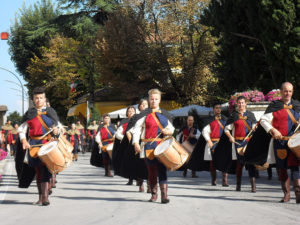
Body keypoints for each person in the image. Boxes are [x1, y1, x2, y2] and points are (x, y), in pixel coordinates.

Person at [246, 82, 300, 203]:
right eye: (285, 91)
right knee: (282, 168)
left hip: (295, 143)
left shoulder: (297, 105)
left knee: (296, 168)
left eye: (290, 91)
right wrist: (272, 129)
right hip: (280, 142)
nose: (288, 93)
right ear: (281, 92)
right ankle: (286, 195)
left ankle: (298, 194)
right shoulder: (275, 106)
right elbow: (264, 120)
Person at [17, 87, 60, 206]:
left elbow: (58, 127)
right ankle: (41, 197)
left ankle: (45, 197)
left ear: (44, 99)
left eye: (41, 98)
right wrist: (24, 140)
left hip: (47, 145)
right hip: (34, 146)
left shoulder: (51, 112)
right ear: (33, 99)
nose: (39, 100)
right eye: (36, 98)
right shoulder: (29, 114)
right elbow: (21, 129)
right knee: (38, 170)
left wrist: (56, 130)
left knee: (45, 170)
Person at [132, 89, 174, 204]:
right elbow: (136, 130)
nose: (154, 101)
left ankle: (164, 195)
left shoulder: (165, 114)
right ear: (149, 99)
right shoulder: (144, 114)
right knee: (151, 171)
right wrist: (136, 143)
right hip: (148, 146)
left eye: (156, 99)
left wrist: (169, 131)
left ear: (159, 100)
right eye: (152, 99)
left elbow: (171, 129)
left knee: (162, 170)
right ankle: (154, 194)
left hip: (162, 146)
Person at [202, 103, 229, 186]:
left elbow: (228, 130)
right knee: (213, 163)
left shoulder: (225, 119)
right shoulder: (209, 120)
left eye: (220, 108)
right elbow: (205, 131)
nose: (218, 109)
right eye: (216, 108)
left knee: (224, 162)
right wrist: (208, 141)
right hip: (213, 143)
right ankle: (214, 180)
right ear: (213, 109)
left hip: (223, 143)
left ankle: (225, 181)